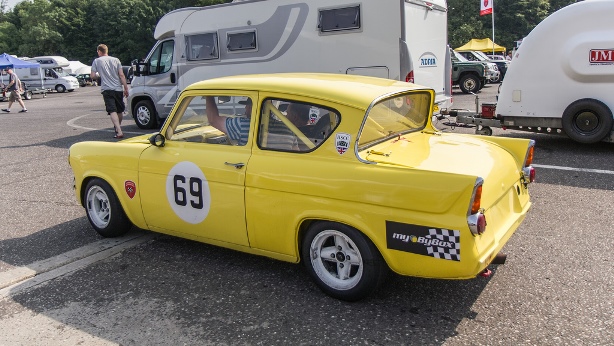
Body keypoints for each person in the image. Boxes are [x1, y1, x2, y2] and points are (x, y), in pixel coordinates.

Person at [91, 44, 129, 139]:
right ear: (107, 51)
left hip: (107, 89)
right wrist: (126, 87)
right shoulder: (116, 60)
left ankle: (119, 130)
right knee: (119, 110)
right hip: (118, 88)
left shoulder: (96, 61)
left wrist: (99, 77)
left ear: (99, 51)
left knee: (112, 110)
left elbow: (92, 76)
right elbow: (121, 75)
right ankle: (118, 126)